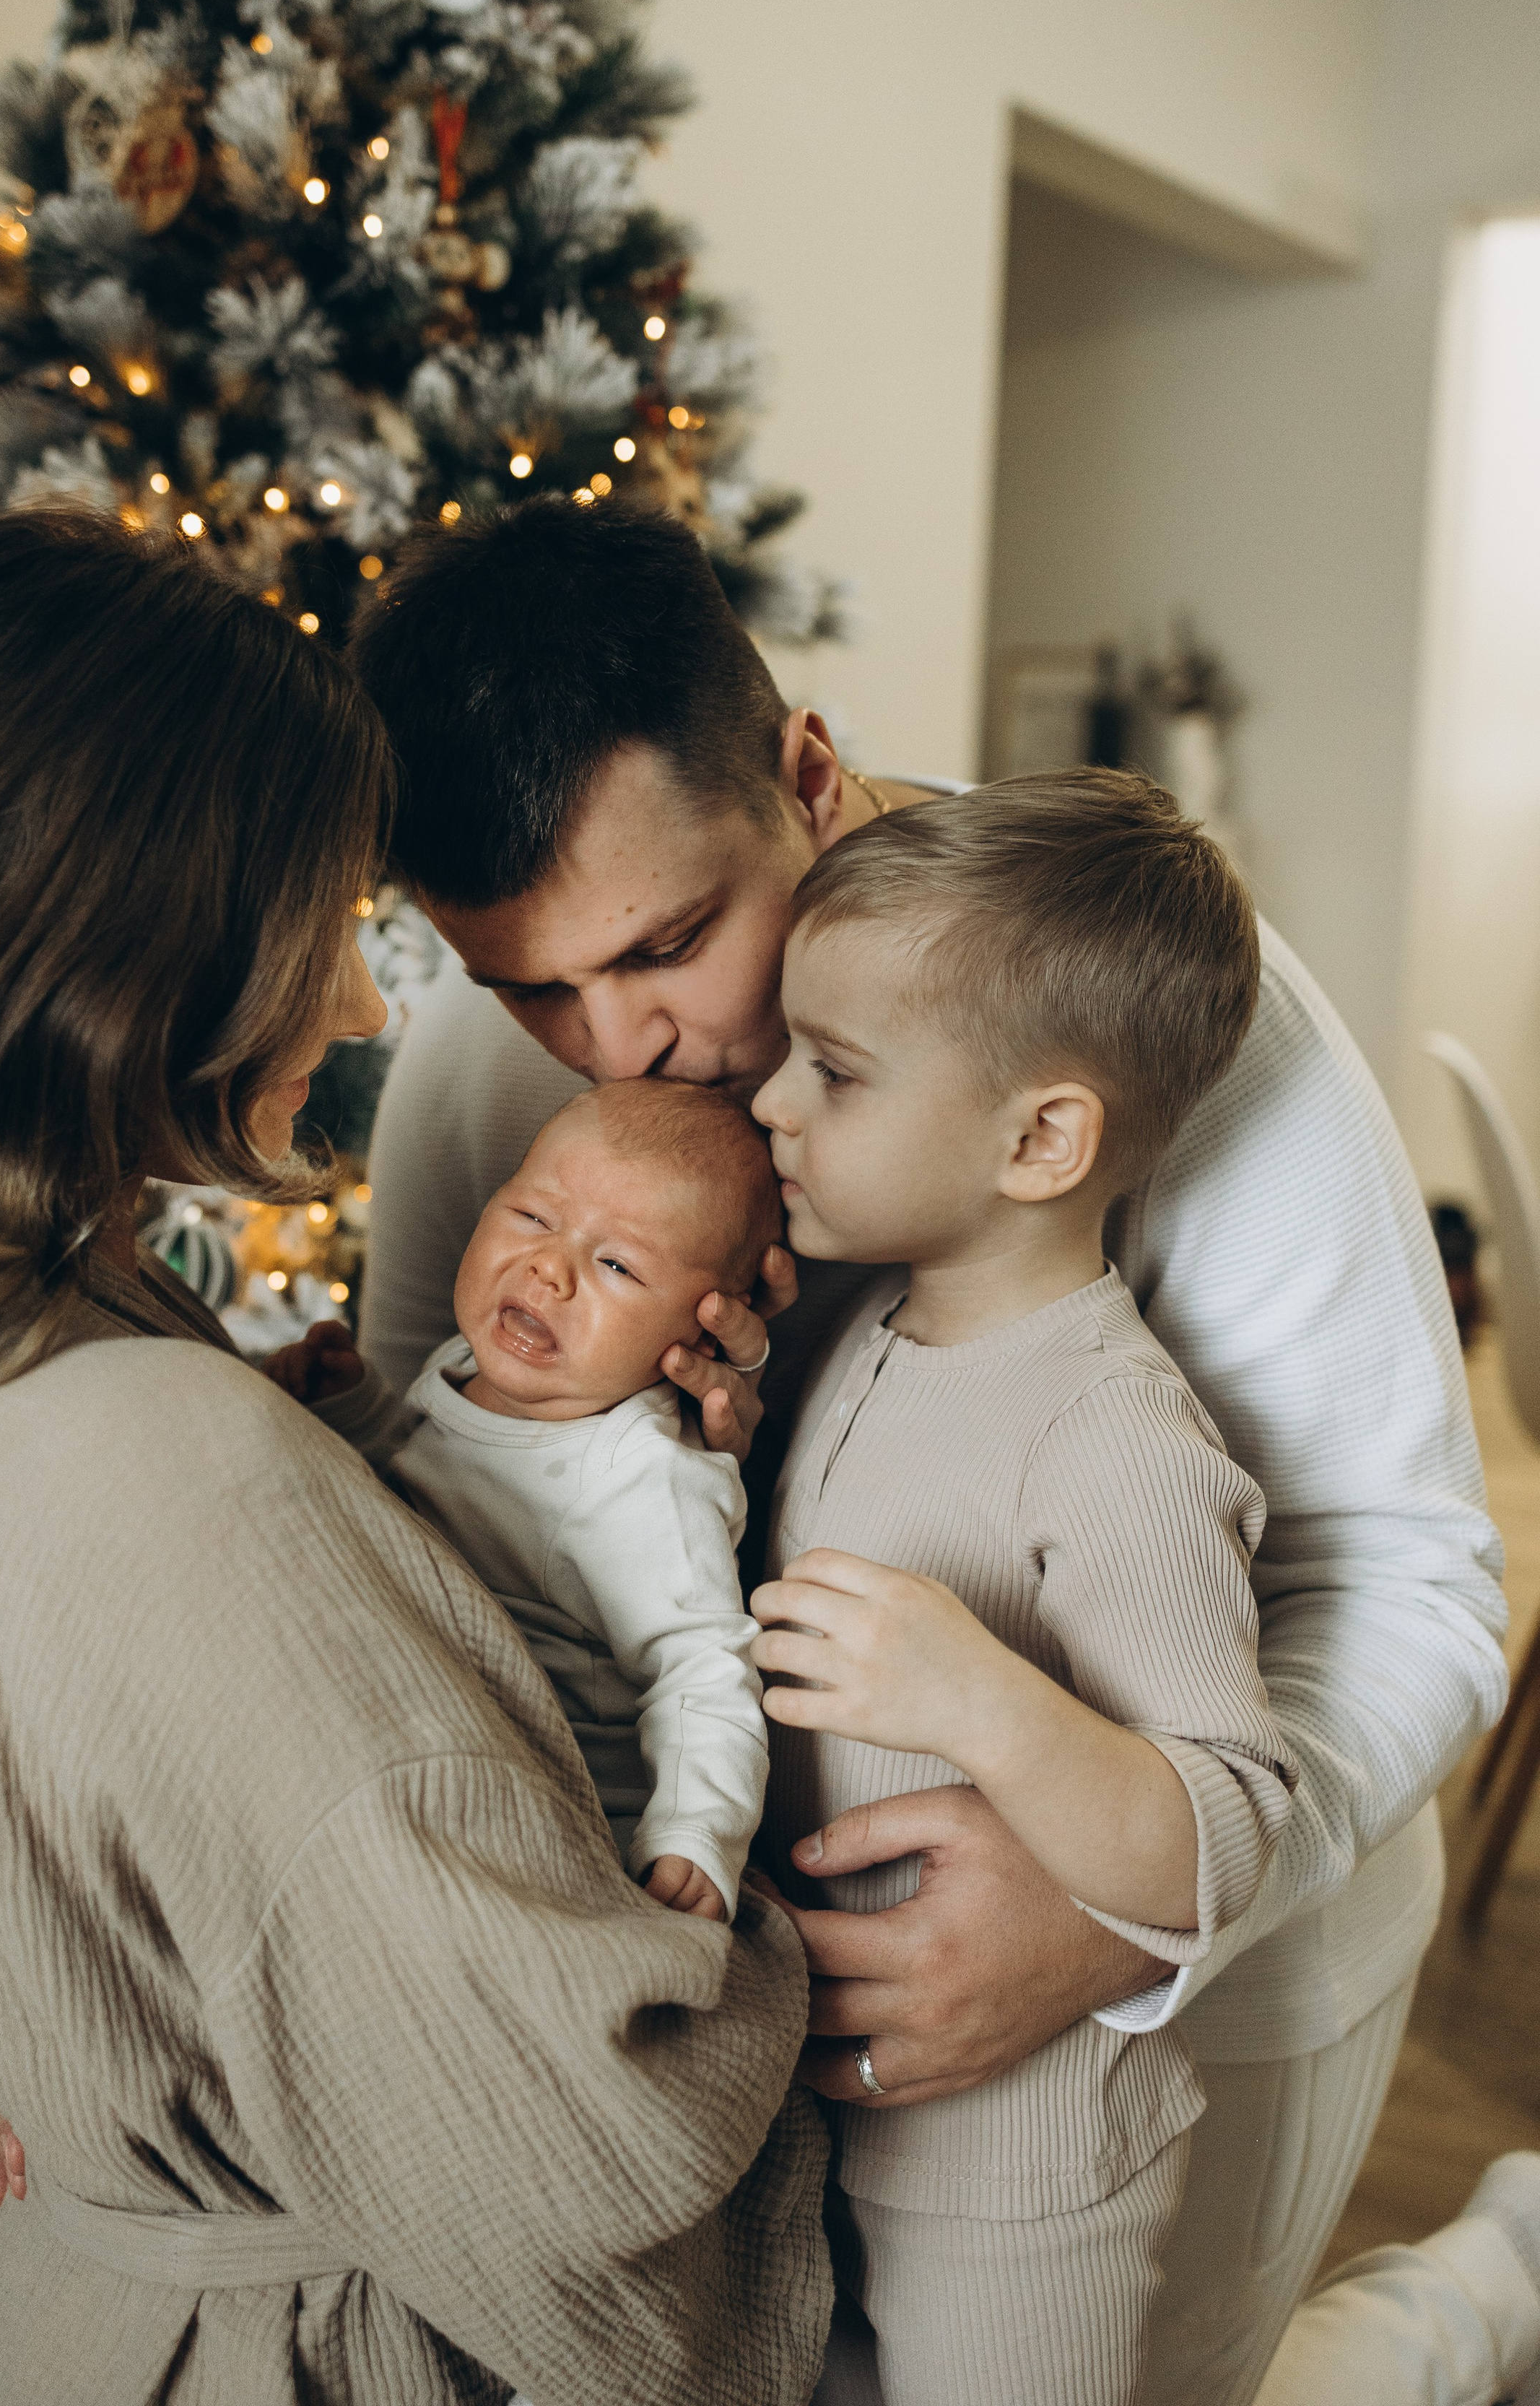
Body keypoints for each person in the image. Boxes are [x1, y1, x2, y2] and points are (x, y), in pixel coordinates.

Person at [350, 493, 1519, 2406]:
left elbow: (1410, 1580)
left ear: (808, 775)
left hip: (1210, 1964)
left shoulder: (1167, 1030)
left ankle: (1455, 2314)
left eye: (669, 941)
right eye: (527, 980)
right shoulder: (499, 1081)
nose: (612, 1044)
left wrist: (1119, 1915)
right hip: (770, 1980)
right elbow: (445, 1474)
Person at [0, 512, 831, 2406]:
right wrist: (773, 1923)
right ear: (149, 950)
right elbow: (588, 2138)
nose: (372, 1005)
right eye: (322, 927)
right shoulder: (172, 1466)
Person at [747, 775, 1293, 2404]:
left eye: (831, 1072)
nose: (769, 1103)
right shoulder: (871, 1326)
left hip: (1013, 2177)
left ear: (1042, 1139)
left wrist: (977, 1697)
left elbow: (1226, 1831)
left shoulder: (1110, 1435)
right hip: (824, 2110)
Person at [279, 1079, 783, 1923]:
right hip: (427, 1727)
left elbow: (701, 1667)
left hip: (562, 1814)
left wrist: (696, 1830)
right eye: (531, 1219)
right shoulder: (474, 1362)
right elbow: (430, 1489)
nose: (549, 1269)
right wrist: (360, 1411)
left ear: (701, 1336)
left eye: (617, 1264)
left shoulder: (640, 1474)